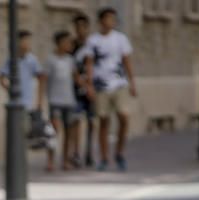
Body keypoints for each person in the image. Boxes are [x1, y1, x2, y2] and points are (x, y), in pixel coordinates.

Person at [81, 7, 136, 171]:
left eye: (113, 19)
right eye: (108, 18)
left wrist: (132, 83)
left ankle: (119, 152)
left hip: (119, 84)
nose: (111, 22)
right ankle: (104, 157)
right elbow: (89, 63)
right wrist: (89, 85)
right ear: (101, 21)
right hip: (101, 85)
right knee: (103, 121)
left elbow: (127, 61)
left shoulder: (120, 39)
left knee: (124, 117)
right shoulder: (93, 41)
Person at [43, 30, 82, 171]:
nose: (69, 45)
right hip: (55, 101)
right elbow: (43, 81)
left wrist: (87, 86)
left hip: (69, 101)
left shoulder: (70, 60)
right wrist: (41, 100)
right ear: (59, 43)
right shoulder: (50, 60)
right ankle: (50, 161)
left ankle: (65, 160)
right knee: (54, 132)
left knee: (68, 133)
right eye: (67, 42)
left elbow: (76, 78)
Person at [0, 30, 44, 114]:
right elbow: (1, 77)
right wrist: (10, 89)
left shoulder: (32, 60)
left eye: (29, 41)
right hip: (15, 103)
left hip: (30, 102)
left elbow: (41, 78)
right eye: (25, 41)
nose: (28, 44)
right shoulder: (12, 60)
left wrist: (39, 101)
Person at [72, 13, 95, 167]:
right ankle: (76, 153)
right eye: (77, 27)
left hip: (92, 87)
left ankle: (89, 152)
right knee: (76, 120)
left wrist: (90, 86)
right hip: (76, 88)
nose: (80, 30)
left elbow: (93, 66)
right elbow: (71, 67)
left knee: (92, 121)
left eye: (83, 27)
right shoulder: (71, 46)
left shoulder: (93, 46)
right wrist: (82, 84)